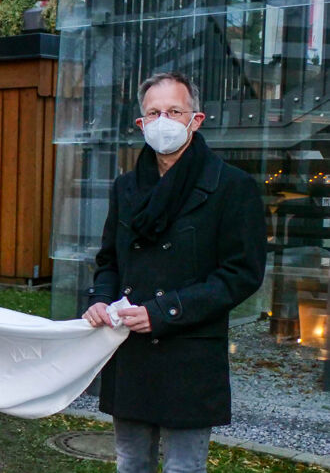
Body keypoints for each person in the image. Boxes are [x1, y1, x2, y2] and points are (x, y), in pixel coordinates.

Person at [82, 72, 266, 473]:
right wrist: (99, 300)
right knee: (131, 463)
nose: (163, 120)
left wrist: (165, 311)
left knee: (184, 467)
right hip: (130, 351)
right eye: (154, 112)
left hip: (190, 352)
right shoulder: (126, 187)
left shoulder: (232, 187)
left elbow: (241, 274)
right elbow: (109, 260)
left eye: (174, 111)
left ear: (195, 119)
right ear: (141, 124)